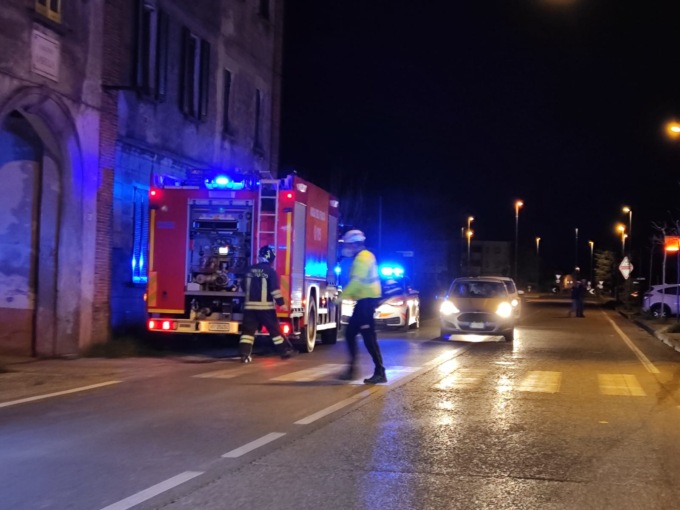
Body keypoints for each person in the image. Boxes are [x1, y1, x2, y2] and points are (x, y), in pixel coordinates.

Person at [338, 230, 386, 384]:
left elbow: (356, 282)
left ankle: (380, 371)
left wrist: (340, 298)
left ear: (354, 244)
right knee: (350, 333)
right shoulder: (364, 256)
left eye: (348, 244)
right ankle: (352, 370)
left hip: (366, 302)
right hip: (363, 302)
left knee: (368, 337)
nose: (346, 247)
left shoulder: (362, 258)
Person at [239, 245, 297, 363]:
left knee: (247, 333)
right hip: (265, 309)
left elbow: (243, 286)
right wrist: (281, 304)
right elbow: (274, 290)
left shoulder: (249, 270)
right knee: (275, 331)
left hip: (249, 308)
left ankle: (245, 355)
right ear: (271, 258)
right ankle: (284, 351)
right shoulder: (270, 272)